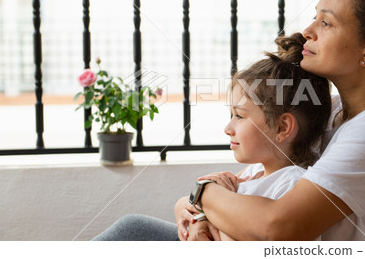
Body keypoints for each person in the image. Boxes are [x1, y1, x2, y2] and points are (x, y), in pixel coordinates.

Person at [175, 0, 365, 241]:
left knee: (133, 230)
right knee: (134, 228)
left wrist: (202, 192)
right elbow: (242, 191)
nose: (308, 31)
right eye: (315, 17)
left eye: (326, 23)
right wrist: (199, 211)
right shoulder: (330, 111)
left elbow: (278, 228)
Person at [93, 33, 332, 241]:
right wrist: (195, 216)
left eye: (239, 116)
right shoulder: (253, 173)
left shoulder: (291, 186)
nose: (228, 128)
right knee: (132, 227)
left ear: (282, 128)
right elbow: (194, 204)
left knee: (133, 230)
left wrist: (212, 224)